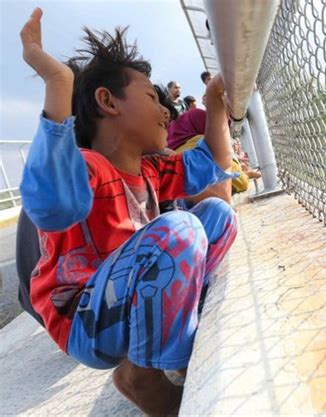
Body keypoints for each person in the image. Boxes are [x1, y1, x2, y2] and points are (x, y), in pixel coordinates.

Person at [19, 8, 237, 416]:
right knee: (181, 229)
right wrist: (58, 83)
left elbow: (211, 161)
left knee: (216, 215)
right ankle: (144, 373)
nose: (167, 112)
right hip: (85, 321)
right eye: (152, 97)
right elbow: (50, 204)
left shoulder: (151, 168)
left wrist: (215, 104)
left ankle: (172, 337)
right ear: (108, 102)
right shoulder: (88, 167)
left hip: (124, 302)